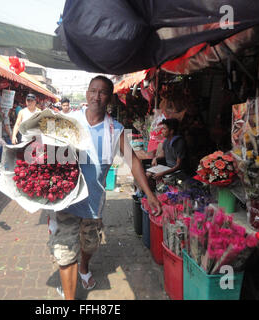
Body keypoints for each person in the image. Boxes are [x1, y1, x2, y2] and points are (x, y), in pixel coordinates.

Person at [47, 76, 161, 300]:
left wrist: (149, 194)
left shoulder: (114, 129)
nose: (95, 96)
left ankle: (84, 266)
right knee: (65, 253)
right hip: (66, 200)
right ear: (87, 92)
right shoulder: (68, 121)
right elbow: (49, 154)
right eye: (92, 91)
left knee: (89, 244)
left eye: (102, 92)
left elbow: (134, 161)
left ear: (110, 98)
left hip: (93, 201)